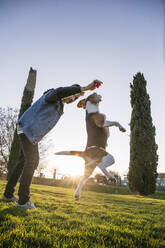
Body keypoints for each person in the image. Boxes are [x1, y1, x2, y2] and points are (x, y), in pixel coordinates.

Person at [2, 79, 102, 209]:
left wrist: (81, 98)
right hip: (28, 129)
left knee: (23, 161)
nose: (73, 99)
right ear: (70, 91)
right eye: (73, 95)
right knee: (33, 161)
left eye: (75, 98)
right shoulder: (52, 96)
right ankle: (23, 201)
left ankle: (8, 195)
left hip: (29, 131)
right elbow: (60, 91)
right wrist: (84, 88)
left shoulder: (60, 106)